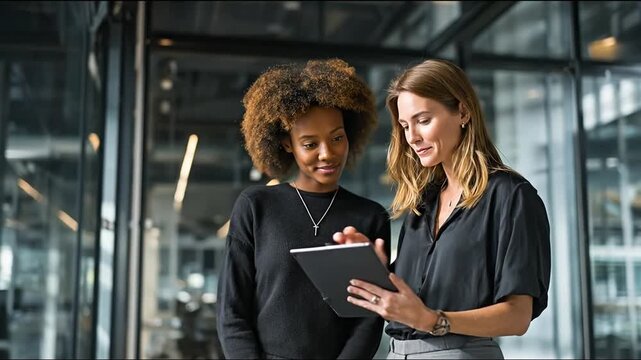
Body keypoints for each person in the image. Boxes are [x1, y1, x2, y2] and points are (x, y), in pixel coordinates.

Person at [333, 58, 551, 359]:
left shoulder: (511, 196)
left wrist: (434, 321)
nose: (412, 138)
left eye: (423, 121)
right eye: (405, 126)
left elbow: (518, 316)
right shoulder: (423, 204)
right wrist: (375, 270)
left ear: (462, 111)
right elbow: (410, 303)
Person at [216, 58, 391, 359]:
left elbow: (369, 317)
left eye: (337, 138)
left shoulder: (370, 216)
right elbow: (232, 311)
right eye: (310, 144)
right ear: (287, 144)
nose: (328, 154)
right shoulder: (257, 206)